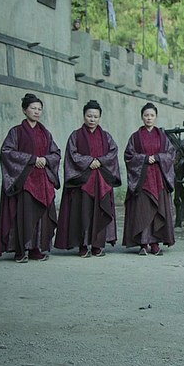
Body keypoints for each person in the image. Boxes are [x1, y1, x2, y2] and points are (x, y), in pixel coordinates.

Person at [0, 93, 61, 263]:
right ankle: (21, 249)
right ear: (24, 110)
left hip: (43, 180)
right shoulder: (16, 132)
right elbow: (6, 152)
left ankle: (36, 249)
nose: (37, 112)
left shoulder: (45, 133)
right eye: (33, 108)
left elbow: (56, 153)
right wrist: (32, 159)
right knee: (24, 215)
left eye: (39, 109)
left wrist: (46, 160)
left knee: (41, 217)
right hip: (25, 180)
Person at [55, 100, 121, 258]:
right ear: (84, 116)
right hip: (83, 181)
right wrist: (89, 162)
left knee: (100, 212)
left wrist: (100, 161)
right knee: (82, 213)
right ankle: (83, 245)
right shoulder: (76, 135)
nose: (92, 119)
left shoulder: (106, 136)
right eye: (89, 116)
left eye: (95, 116)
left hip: (101, 181)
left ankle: (97, 245)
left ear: (100, 118)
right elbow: (72, 154)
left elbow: (113, 152)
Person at [122, 103, 176, 256]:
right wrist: (145, 159)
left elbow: (171, 154)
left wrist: (158, 157)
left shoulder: (163, 137)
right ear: (142, 117)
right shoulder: (135, 137)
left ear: (156, 117)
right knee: (143, 211)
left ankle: (155, 243)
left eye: (152, 115)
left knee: (158, 210)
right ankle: (143, 243)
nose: (149, 118)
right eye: (146, 115)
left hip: (159, 179)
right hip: (143, 180)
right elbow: (129, 155)